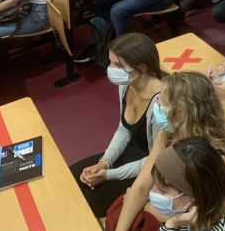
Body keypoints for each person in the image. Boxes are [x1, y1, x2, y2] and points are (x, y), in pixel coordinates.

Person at [108, 72, 225, 231]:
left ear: (184, 110)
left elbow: (201, 213)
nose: (156, 105)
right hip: (170, 209)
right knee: (118, 230)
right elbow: (142, 184)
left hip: (192, 226)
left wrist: (152, 207)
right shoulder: (168, 132)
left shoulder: (215, 157)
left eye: (163, 102)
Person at [70, 33, 164, 217]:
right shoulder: (127, 84)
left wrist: (109, 175)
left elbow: (155, 160)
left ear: (142, 68)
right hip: (132, 153)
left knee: (86, 202)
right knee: (72, 176)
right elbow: (124, 129)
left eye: (118, 65)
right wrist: (104, 163)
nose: (110, 69)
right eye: (111, 62)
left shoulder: (161, 103)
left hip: (152, 168)